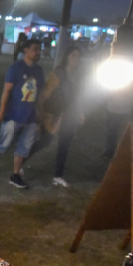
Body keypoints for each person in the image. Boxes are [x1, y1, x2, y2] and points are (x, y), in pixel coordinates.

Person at [0, 39, 45, 189]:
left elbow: (40, 94)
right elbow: (6, 91)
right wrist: (2, 111)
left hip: (31, 117)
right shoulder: (16, 68)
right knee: (4, 144)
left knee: (24, 146)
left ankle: (15, 175)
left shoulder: (39, 70)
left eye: (39, 49)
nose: (38, 52)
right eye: (35, 49)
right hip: (14, 115)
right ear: (26, 50)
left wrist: (40, 112)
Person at [44, 46, 83, 187]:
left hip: (69, 114)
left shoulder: (78, 74)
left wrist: (80, 111)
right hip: (54, 112)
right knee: (44, 140)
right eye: (73, 55)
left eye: (78, 55)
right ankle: (20, 163)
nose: (76, 58)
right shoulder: (59, 73)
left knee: (64, 144)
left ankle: (58, 175)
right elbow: (47, 92)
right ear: (67, 56)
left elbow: (77, 95)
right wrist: (41, 110)